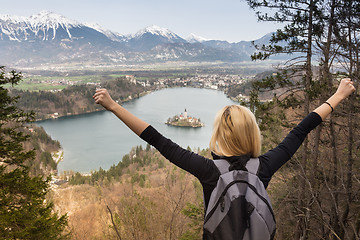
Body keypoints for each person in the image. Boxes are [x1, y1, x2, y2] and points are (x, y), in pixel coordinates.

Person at [93, 78, 355, 239]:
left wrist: (114, 106)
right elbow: (301, 130)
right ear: (252, 133)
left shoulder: (209, 171)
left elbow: (157, 139)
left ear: (219, 133)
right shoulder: (263, 167)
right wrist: (338, 96)